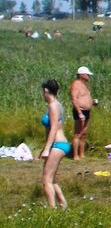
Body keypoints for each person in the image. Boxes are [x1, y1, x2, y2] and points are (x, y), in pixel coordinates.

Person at [39, 79, 69, 208]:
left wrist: (47, 149)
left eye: (43, 92)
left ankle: (52, 210)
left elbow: (53, 129)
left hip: (58, 144)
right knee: (52, 179)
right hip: (58, 144)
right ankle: (63, 205)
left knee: (46, 180)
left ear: (46, 91)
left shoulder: (53, 106)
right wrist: (44, 148)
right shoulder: (56, 104)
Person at [69, 66, 95, 160]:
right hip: (80, 111)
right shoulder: (76, 84)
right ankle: (75, 155)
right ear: (82, 75)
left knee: (84, 133)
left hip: (87, 111)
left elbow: (85, 97)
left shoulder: (84, 85)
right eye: (87, 74)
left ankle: (82, 154)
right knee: (78, 134)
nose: (88, 76)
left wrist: (92, 101)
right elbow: (74, 99)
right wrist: (79, 113)